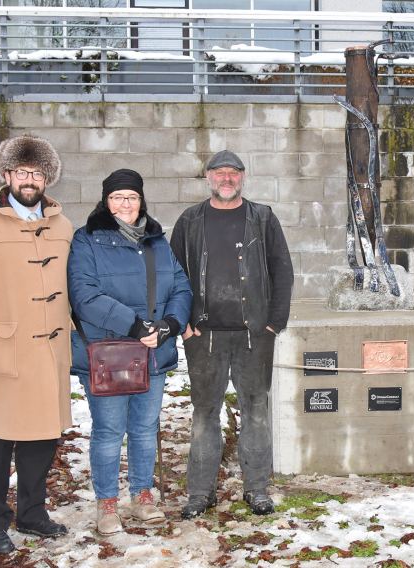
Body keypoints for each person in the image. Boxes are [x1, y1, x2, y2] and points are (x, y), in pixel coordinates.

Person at [0, 135, 74, 554]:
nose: (29, 179)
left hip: (50, 352)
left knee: (42, 439)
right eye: (22, 171)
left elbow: (73, 287)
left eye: (37, 172)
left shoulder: (63, 226)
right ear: (6, 175)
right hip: (2, 351)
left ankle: (31, 513)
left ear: (48, 177)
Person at [170, 150, 294, 519]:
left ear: (243, 177)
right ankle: (200, 493)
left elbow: (282, 271)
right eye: (220, 173)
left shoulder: (263, 218)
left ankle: (256, 489)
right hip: (203, 336)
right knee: (204, 413)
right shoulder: (190, 220)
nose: (227, 179)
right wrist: (184, 323)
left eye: (233, 173)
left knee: (256, 410)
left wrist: (274, 322)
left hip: (253, 336)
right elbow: (173, 275)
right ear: (208, 177)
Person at [68, 169, 192, 535]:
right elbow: (84, 296)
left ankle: (142, 496)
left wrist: (170, 325)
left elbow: (181, 287)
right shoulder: (86, 240)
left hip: (153, 354)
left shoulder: (157, 240)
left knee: (144, 428)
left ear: (142, 201)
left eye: (132, 197)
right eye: (118, 197)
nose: (126, 203)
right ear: (106, 201)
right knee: (108, 430)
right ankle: (106, 503)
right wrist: (135, 326)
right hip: (109, 353)